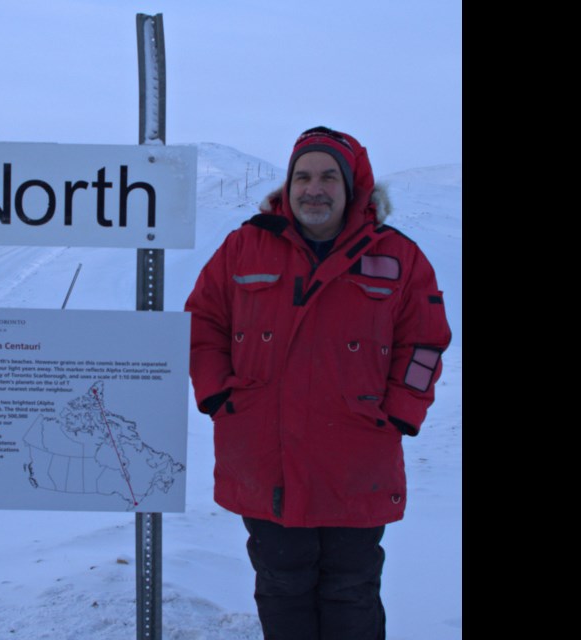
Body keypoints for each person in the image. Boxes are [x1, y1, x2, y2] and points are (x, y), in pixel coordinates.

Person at [184, 126, 450, 639]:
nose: (314, 188)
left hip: (357, 457)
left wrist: (400, 412)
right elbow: (202, 323)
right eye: (302, 176)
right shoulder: (245, 246)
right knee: (282, 585)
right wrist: (217, 393)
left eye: (329, 176)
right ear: (287, 186)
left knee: (350, 590)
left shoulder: (398, 256)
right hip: (264, 454)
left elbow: (425, 342)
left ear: (354, 188)